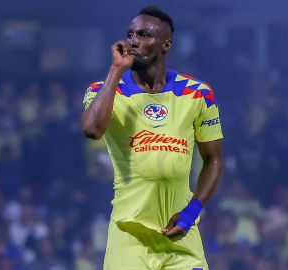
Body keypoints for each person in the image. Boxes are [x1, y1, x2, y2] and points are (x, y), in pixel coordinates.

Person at [80, 6, 224, 270]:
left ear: (166, 44)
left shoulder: (197, 93)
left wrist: (191, 214)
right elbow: (91, 130)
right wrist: (115, 71)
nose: (134, 41)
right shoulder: (105, 91)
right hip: (129, 235)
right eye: (130, 34)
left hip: (180, 233)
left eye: (144, 35)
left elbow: (213, 159)